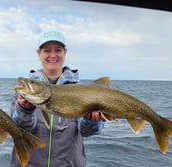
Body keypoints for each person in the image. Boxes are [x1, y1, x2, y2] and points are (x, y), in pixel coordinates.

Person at [10, 29, 105, 167]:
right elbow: (19, 130)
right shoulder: (22, 91)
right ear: (39, 53)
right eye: (47, 50)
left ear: (64, 52)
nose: (52, 55)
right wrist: (25, 110)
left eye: (58, 50)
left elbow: (87, 132)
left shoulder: (81, 90)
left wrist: (91, 121)